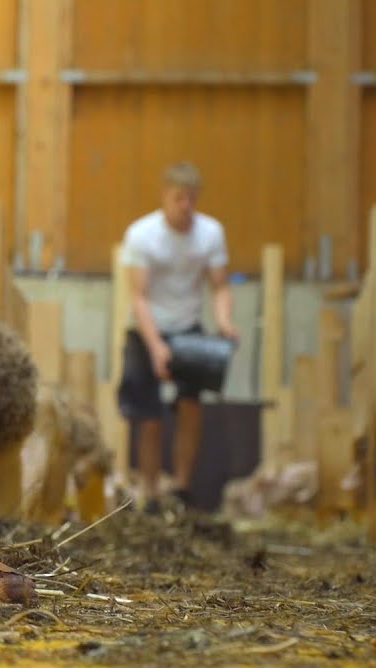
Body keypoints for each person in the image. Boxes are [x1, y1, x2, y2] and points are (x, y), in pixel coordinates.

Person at [117, 161, 237, 513]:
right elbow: (138, 296)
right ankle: (150, 491)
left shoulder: (211, 232)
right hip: (146, 328)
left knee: (190, 405)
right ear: (165, 196)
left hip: (188, 327)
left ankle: (182, 486)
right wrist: (156, 347)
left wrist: (225, 320)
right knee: (149, 415)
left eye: (192, 199)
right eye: (178, 198)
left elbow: (219, 287)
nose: (186, 206)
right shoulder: (141, 234)